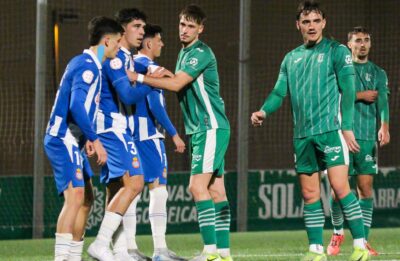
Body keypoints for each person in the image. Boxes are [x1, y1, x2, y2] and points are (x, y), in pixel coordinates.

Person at [250, 1, 370, 261]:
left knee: (340, 188)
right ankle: (316, 251)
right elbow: (279, 91)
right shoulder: (290, 58)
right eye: (306, 22)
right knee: (309, 194)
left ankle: (360, 246)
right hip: (302, 136)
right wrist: (263, 111)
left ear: (324, 23)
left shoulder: (337, 51)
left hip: (330, 131)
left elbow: (348, 90)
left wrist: (347, 127)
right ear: (298, 25)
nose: (311, 26)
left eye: (316, 21)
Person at [126, 4, 232, 261]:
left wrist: (138, 78)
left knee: (196, 188)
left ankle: (209, 253)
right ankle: (224, 254)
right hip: (201, 130)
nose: (184, 30)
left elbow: (175, 85)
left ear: (200, 29)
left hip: (209, 127)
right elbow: (180, 80)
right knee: (216, 192)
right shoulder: (185, 54)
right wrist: (168, 75)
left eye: (191, 26)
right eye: (182, 24)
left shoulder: (200, 52)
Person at [44, 16, 122, 261]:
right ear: (106, 41)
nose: (120, 47)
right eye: (118, 42)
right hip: (61, 138)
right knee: (75, 197)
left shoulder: (89, 64)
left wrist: (86, 138)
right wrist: (95, 139)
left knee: (87, 198)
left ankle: (74, 257)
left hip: (73, 140)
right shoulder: (88, 65)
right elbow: (77, 105)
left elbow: (81, 106)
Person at [87, 8, 152, 261]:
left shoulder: (122, 57)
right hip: (112, 127)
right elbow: (126, 95)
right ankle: (101, 243)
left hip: (113, 127)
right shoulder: (115, 59)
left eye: (143, 28)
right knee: (135, 183)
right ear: (122, 31)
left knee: (116, 189)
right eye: (137, 27)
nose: (142, 32)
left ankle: (119, 251)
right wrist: (151, 82)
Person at [327, 26, 390, 257]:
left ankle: (362, 241)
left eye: (366, 40)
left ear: (370, 44)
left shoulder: (379, 73)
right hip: (341, 136)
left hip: (365, 138)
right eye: (357, 41)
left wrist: (384, 126)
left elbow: (382, 101)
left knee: (365, 188)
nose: (362, 44)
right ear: (349, 45)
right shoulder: (340, 69)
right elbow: (333, 97)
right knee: (337, 190)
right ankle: (337, 232)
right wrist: (360, 96)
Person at [131, 23, 187, 261]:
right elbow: (155, 104)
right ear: (149, 43)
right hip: (149, 136)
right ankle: (160, 250)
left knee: (131, 191)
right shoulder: (148, 66)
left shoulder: (131, 63)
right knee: (159, 190)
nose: (163, 44)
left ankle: (128, 248)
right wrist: (174, 133)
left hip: (131, 135)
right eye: (160, 40)